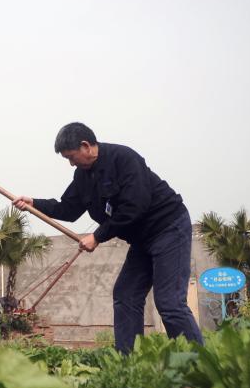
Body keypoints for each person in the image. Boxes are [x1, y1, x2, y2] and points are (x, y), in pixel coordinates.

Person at [12, 122, 204, 353]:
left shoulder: (124, 159)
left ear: (86, 146)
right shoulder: (82, 175)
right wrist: (35, 204)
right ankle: (129, 363)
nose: (71, 163)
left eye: (71, 157)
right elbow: (69, 209)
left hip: (168, 228)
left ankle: (198, 363)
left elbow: (135, 207)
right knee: (126, 295)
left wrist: (97, 236)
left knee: (169, 303)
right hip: (141, 240)